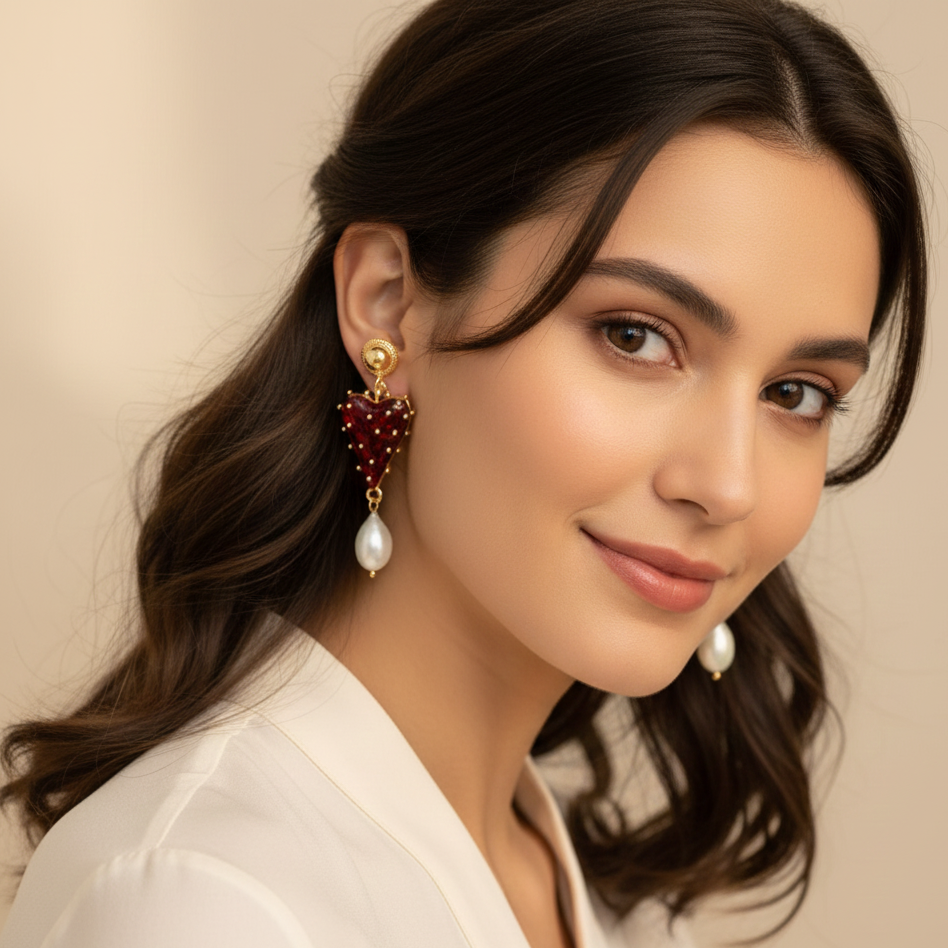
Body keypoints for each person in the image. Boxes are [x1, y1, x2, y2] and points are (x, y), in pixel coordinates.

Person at [0, 0, 927, 945]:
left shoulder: (599, 894)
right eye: (636, 336)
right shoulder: (204, 901)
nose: (728, 485)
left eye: (798, 394)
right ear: (388, 302)